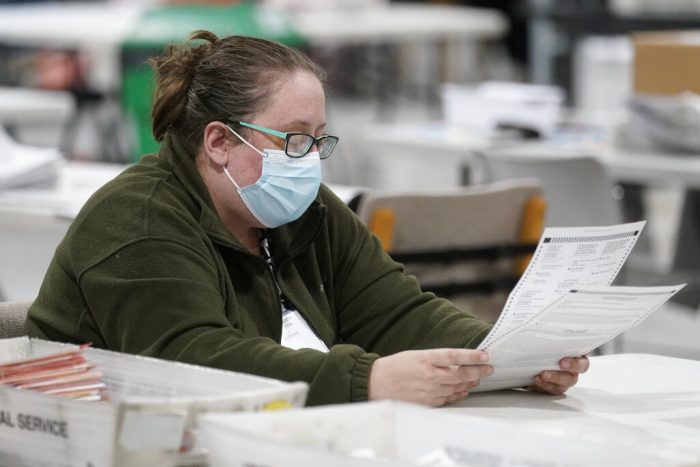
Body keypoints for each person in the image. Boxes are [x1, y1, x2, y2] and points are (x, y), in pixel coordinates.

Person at [25, 30, 588, 406]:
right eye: (294, 138)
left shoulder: (303, 211)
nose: (310, 159)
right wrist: (367, 379)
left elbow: (394, 311)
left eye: (319, 139)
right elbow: (193, 362)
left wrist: (506, 354)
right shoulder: (137, 219)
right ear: (220, 141)